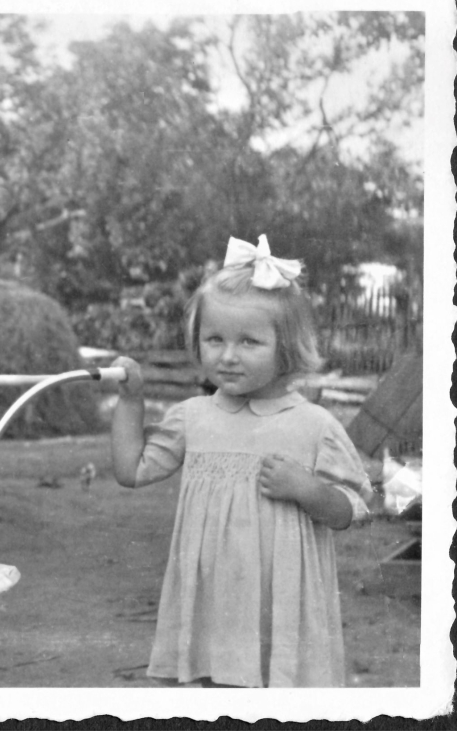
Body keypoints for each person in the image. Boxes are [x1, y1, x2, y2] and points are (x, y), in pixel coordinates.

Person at [110, 234, 373, 688]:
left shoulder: (314, 425)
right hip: (211, 605)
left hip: (281, 609)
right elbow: (131, 470)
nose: (228, 356)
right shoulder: (193, 417)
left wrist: (307, 490)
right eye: (214, 339)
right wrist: (132, 402)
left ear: (286, 347)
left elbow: (354, 510)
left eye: (249, 341)